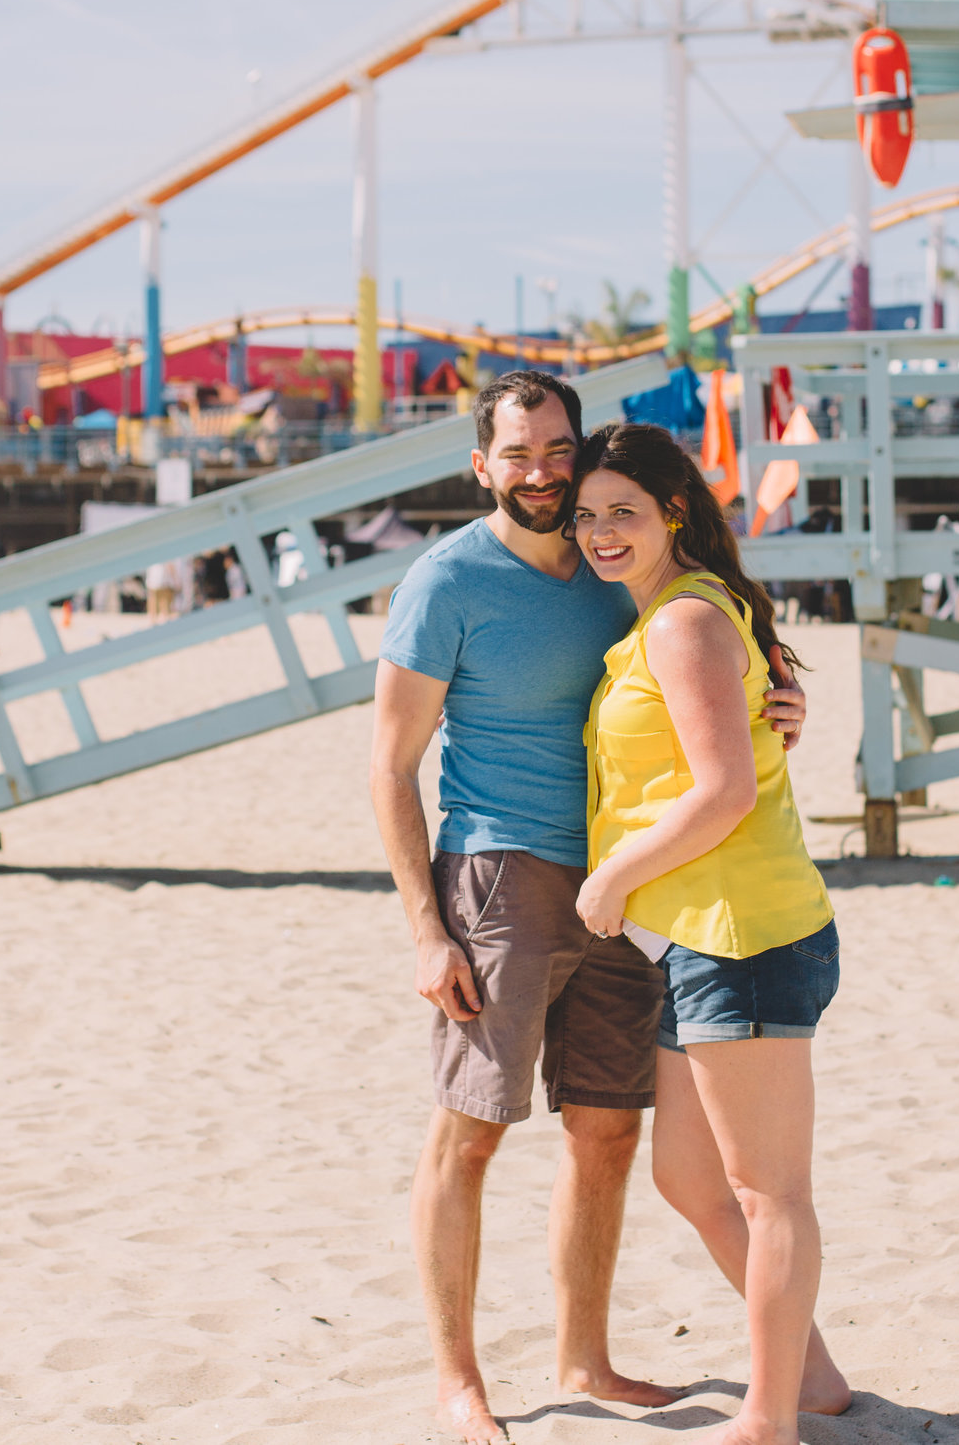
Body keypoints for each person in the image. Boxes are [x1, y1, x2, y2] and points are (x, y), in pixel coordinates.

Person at [369, 373, 806, 1444]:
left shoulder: (618, 555)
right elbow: (389, 766)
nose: (541, 473)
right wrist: (427, 928)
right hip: (499, 873)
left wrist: (784, 704)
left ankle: (584, 1355)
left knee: (607, 1132)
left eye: (556, 449)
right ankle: (456, 1378)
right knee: (468, 1137)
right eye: (516, 455)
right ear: (481, 465)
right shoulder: (445, 581)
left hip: (631, 881)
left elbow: (710, 661)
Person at [571, 421, 848, 1445]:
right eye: (589, 513)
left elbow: (726, 789)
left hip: (745, 929)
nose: (602, 530)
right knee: (687, 1175)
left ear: (673, 510)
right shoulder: (676, 614)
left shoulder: (685, 621)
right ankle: (810, 1375)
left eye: (623, 511)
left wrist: (613, 874)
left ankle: (769, 1416)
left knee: (769, 1191)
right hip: (694, 937)